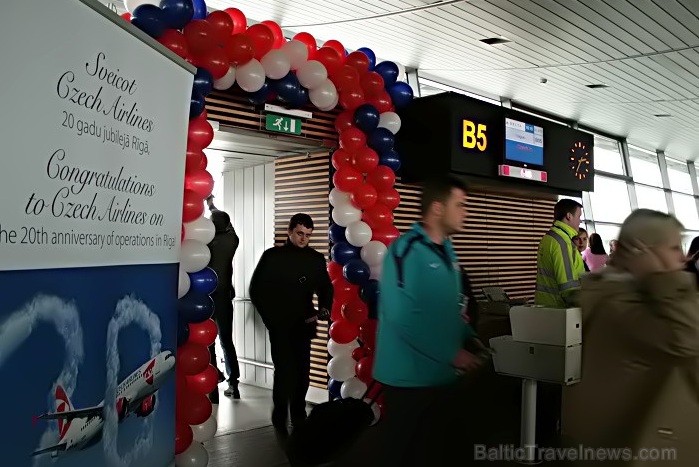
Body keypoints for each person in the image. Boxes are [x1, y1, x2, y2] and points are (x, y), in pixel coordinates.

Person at [562, 209, 699, 465]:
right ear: (641, 250)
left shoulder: (629, 293)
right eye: (672, 248)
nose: (681, 258)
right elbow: (686, 340)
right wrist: (668, 279)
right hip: (637, 448)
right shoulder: (619, 302)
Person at [370, 175, 488, 466]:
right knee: (405, 455)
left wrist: (470, 338)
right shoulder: (404, 250)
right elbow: (401, 317)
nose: (466, 212)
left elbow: (448, 310)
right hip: (409, 381)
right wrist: (453, 353)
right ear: (437, 208)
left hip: (442, 376)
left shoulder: (448, 251)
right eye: (460, 205)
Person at [249, 213, 333, 433]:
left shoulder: (315, 259)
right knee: (284, 372)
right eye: (299, 233)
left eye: (308, 235)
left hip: (304, 325)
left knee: (303, 373)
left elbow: (325, 287)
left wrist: (325, 306)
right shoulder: (272, 256)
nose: (304, 238)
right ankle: (279, 416)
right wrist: (271, 322)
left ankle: (298, 414)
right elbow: (256, 291)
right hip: (280, 326)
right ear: (289, 232)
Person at [206, 209, 241, 400]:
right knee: (227, 341)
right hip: (225, 298)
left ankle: (213, 389)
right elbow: (230, 227)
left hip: (207, 296)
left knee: (209, 341)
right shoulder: (232, 241)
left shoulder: (206, 242)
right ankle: (234, 385)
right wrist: (212, 205)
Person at [535, 198, 586, 308]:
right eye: (579, 216)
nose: (580, 221)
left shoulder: (549, 238)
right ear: (569, 216)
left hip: (545, 307)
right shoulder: (562, 242)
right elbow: (568, 287)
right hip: (559, 311)